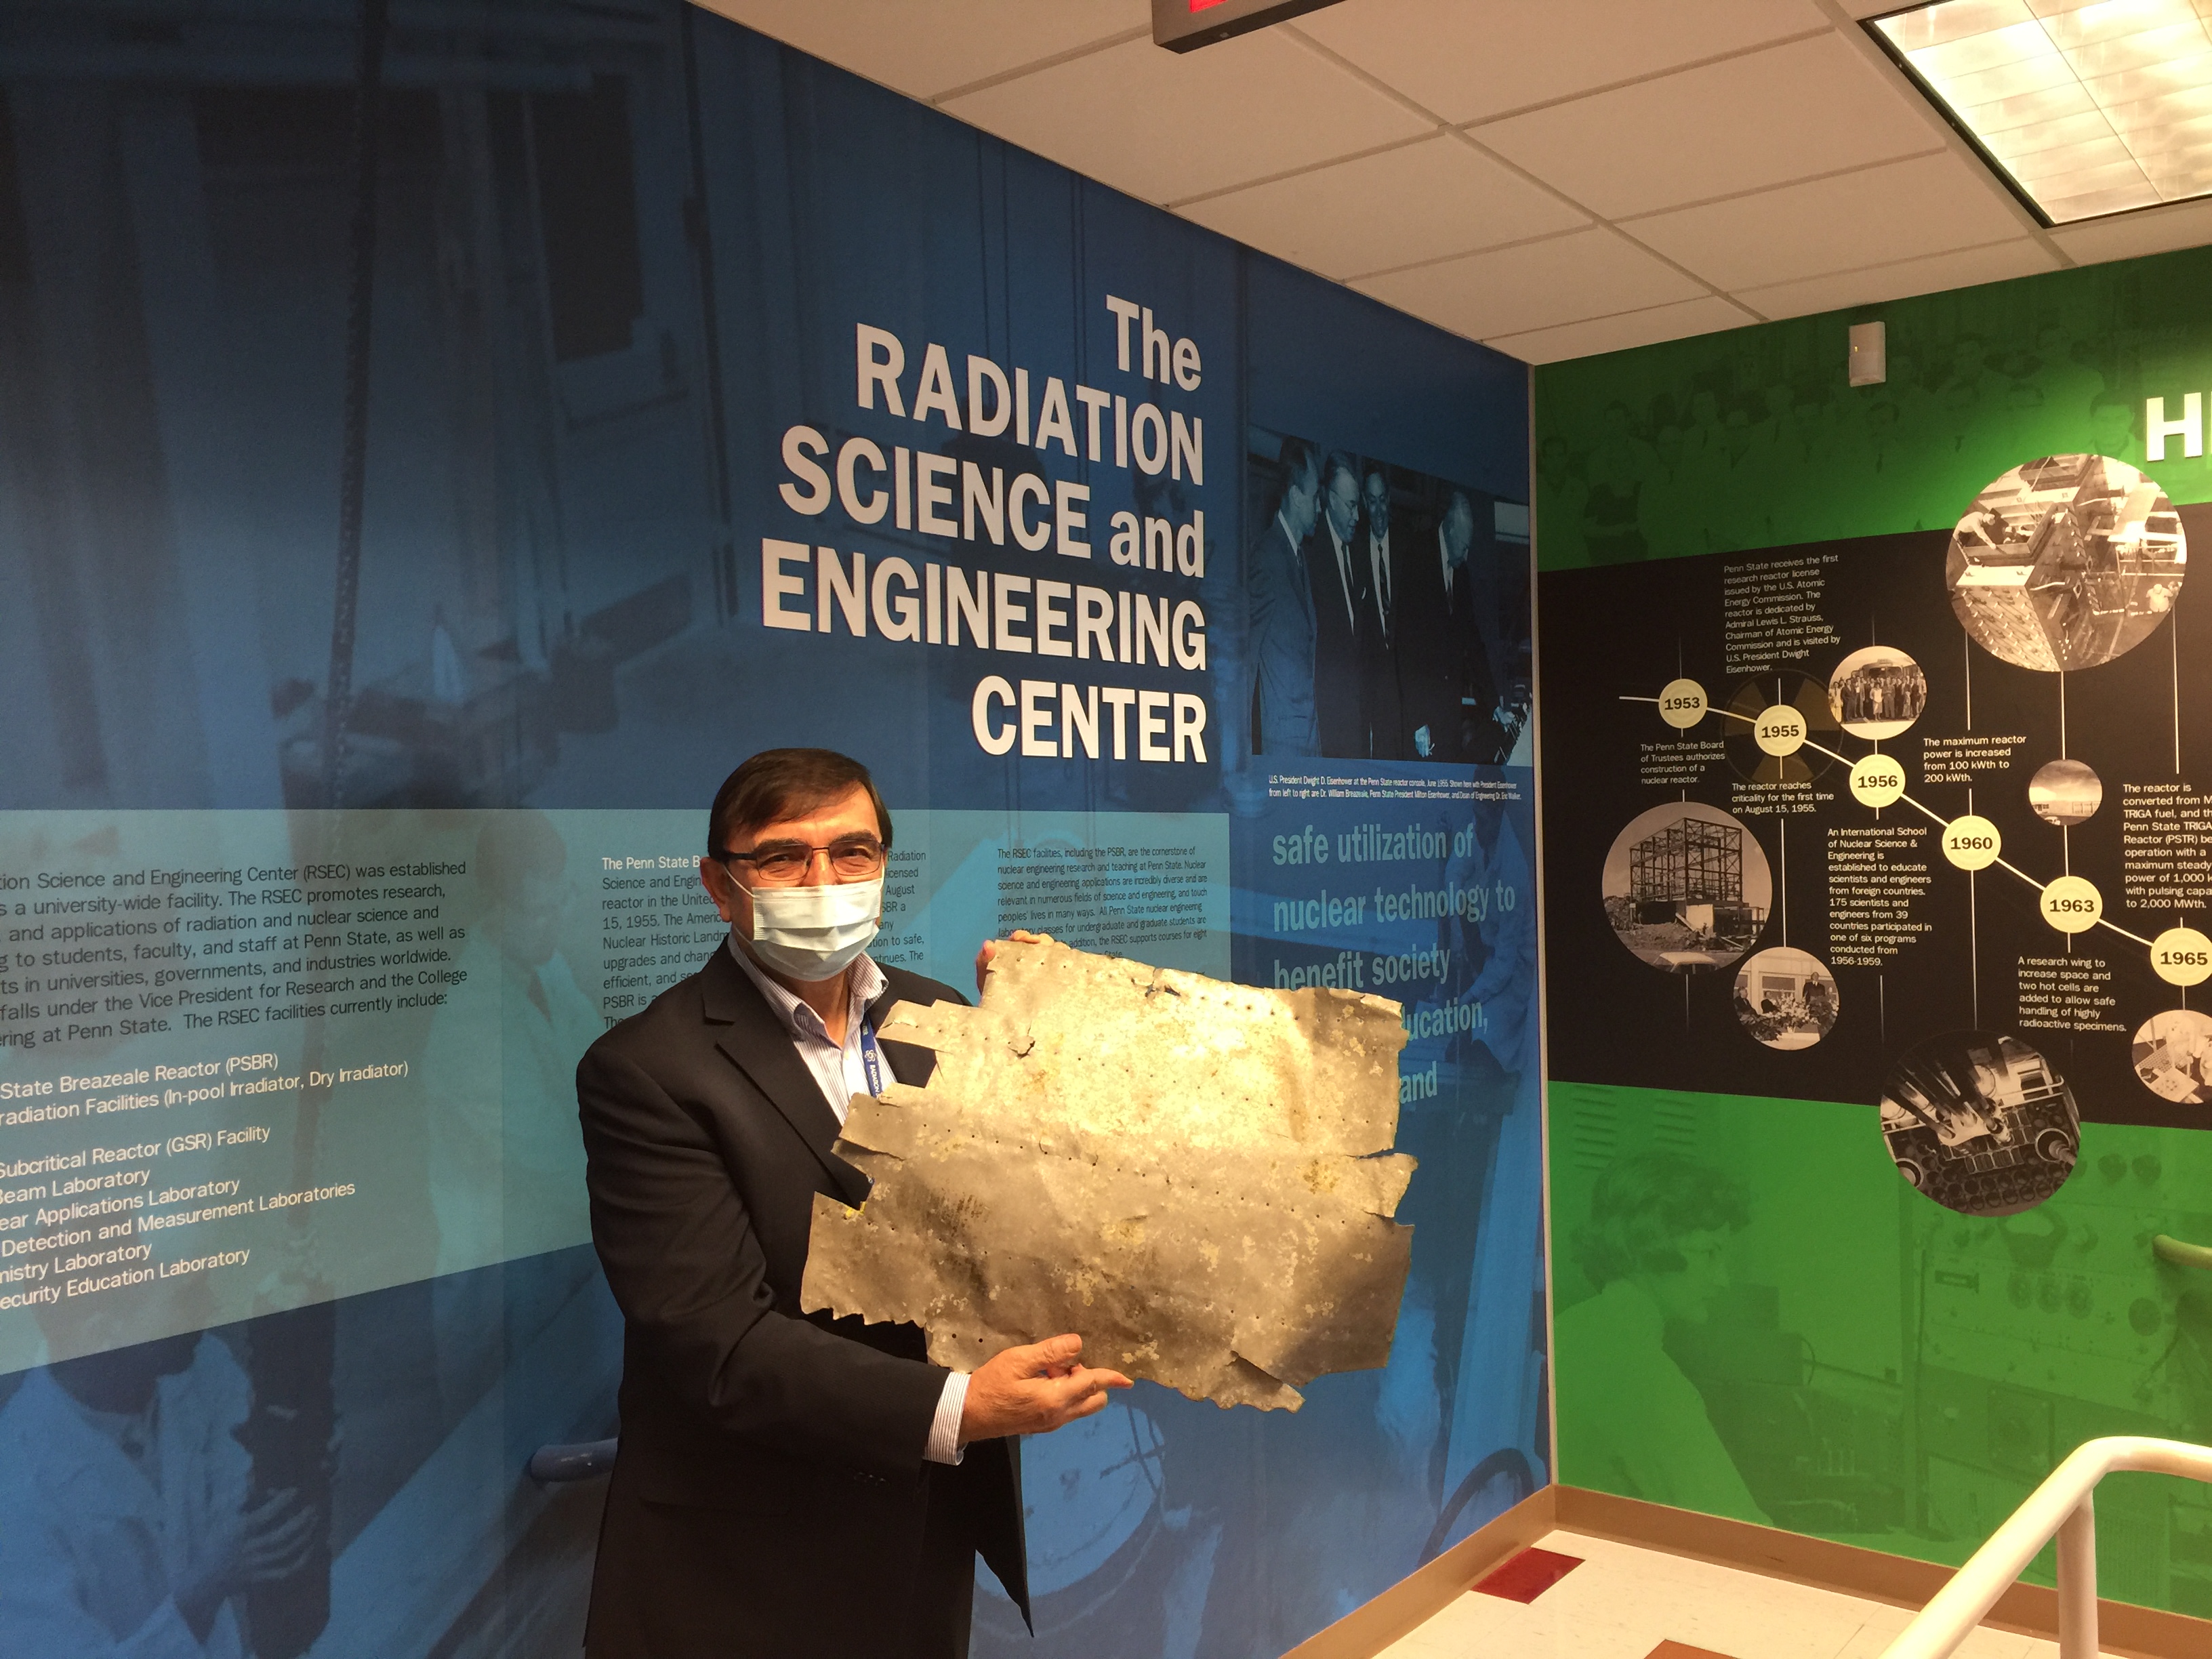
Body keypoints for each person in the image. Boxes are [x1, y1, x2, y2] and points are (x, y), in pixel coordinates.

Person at [577, 747, 1130, 1659]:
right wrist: (958, 1408)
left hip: (924, 1527)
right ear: (721, 887)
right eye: (783, 857)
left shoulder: (938, 1018)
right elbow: (721, 1345)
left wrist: (1040, 1054)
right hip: (749, 1562)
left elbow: (1000, 1227)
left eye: (853, 852)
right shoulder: (649, 1071)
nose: (823, 881)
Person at [0, 1297, 320, 1657]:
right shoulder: (13, 1487)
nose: (209, 1308)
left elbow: (241, 1495)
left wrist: (294, 1459)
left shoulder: (200, 1365)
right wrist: (205, 1590)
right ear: (103, 1332)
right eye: (175, 1296)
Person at [1551, 1153, 1770, 1526]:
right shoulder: (1642, 1375)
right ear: (1648, 1243)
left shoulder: (1569, 1329)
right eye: (1708, 1253)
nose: (1723, 1280)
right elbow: (1734, 1530)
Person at [1247, 439, 1322, 756]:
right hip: (1282, 750)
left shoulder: (1299, 557)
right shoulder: (1266, 558)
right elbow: (1246, 663)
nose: (1320, 508)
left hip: (1307, 742)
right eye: (1315, 497)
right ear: (1295, 495)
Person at [1307, 452, 1374, 757]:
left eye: (1358, 505)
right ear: (1330, 499)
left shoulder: (1359, 553)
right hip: (1326, 725)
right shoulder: (1309, 554)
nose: (1357, 516)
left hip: (1358, 724)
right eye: (1350, 506)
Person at [1359, 467, 1409, 758]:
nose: (1378, 511)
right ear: (1365, 502)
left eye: (1383, 501)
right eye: (1372, 502)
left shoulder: (1408, 542)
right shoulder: (1355, 548)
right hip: (1374, 686)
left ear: (1389, 500)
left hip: (1406, 685)